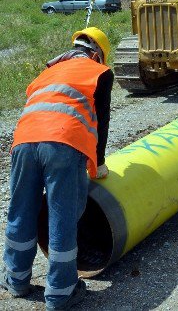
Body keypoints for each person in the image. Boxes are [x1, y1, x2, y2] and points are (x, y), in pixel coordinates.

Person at [1, 27, 113, 310]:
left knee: (21, 211)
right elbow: (101, 121)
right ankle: (61, 293)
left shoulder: (48, 71)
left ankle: (15, 280)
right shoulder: (97, 71)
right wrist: (97, 166)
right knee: (62, 216)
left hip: (24, 141)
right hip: (63, 142)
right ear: (97, 53)